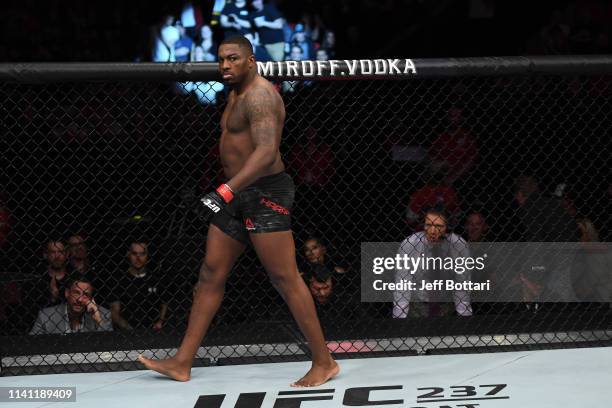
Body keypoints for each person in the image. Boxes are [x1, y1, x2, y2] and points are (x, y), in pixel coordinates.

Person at [138, 35, 339, 387]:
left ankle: (324, 362)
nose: (225, 66)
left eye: (232, 59)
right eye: (221, 60)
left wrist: (225, 189)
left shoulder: (260, 95)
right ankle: (182, 361)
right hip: (237, 193)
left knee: (285, 278)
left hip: (264, 192)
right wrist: (230, 191)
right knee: (210, 273)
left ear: (250, 60)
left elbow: (264, 153)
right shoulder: (235, 93)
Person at [29, 277, 112, 335]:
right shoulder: (45, 316)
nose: (79, 299)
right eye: (76, 293)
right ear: (67, 293)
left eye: (85, 295)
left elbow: (111, 346)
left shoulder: (103, 315)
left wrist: (99, 321)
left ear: (91, 298)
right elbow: (31, 345)